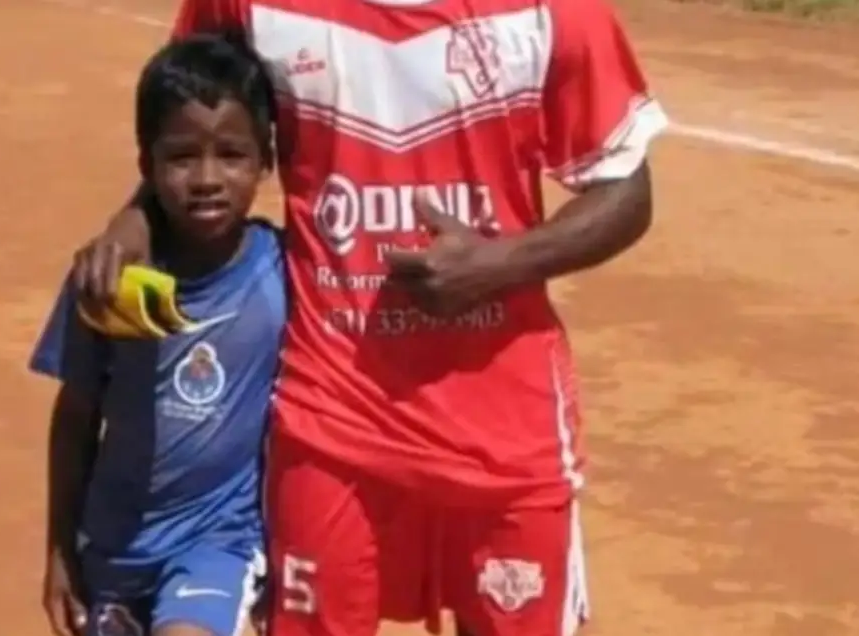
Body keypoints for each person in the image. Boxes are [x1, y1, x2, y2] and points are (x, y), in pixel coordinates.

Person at [72, 0, 669, 633]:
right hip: (331, 422)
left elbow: (626, 189)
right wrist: (137, 214)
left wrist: (499, 264)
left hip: (503, 436)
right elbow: (192, 106)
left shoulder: (555, 12)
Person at [30, 32, 285, 636]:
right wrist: (60, 549)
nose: (206, 178)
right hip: (113, 550)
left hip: (218, 539)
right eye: (180, 157)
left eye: (232, 154)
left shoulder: (282, 272)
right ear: (145, 166)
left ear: (266, 161)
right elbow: (75, 418)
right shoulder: (107, 280)